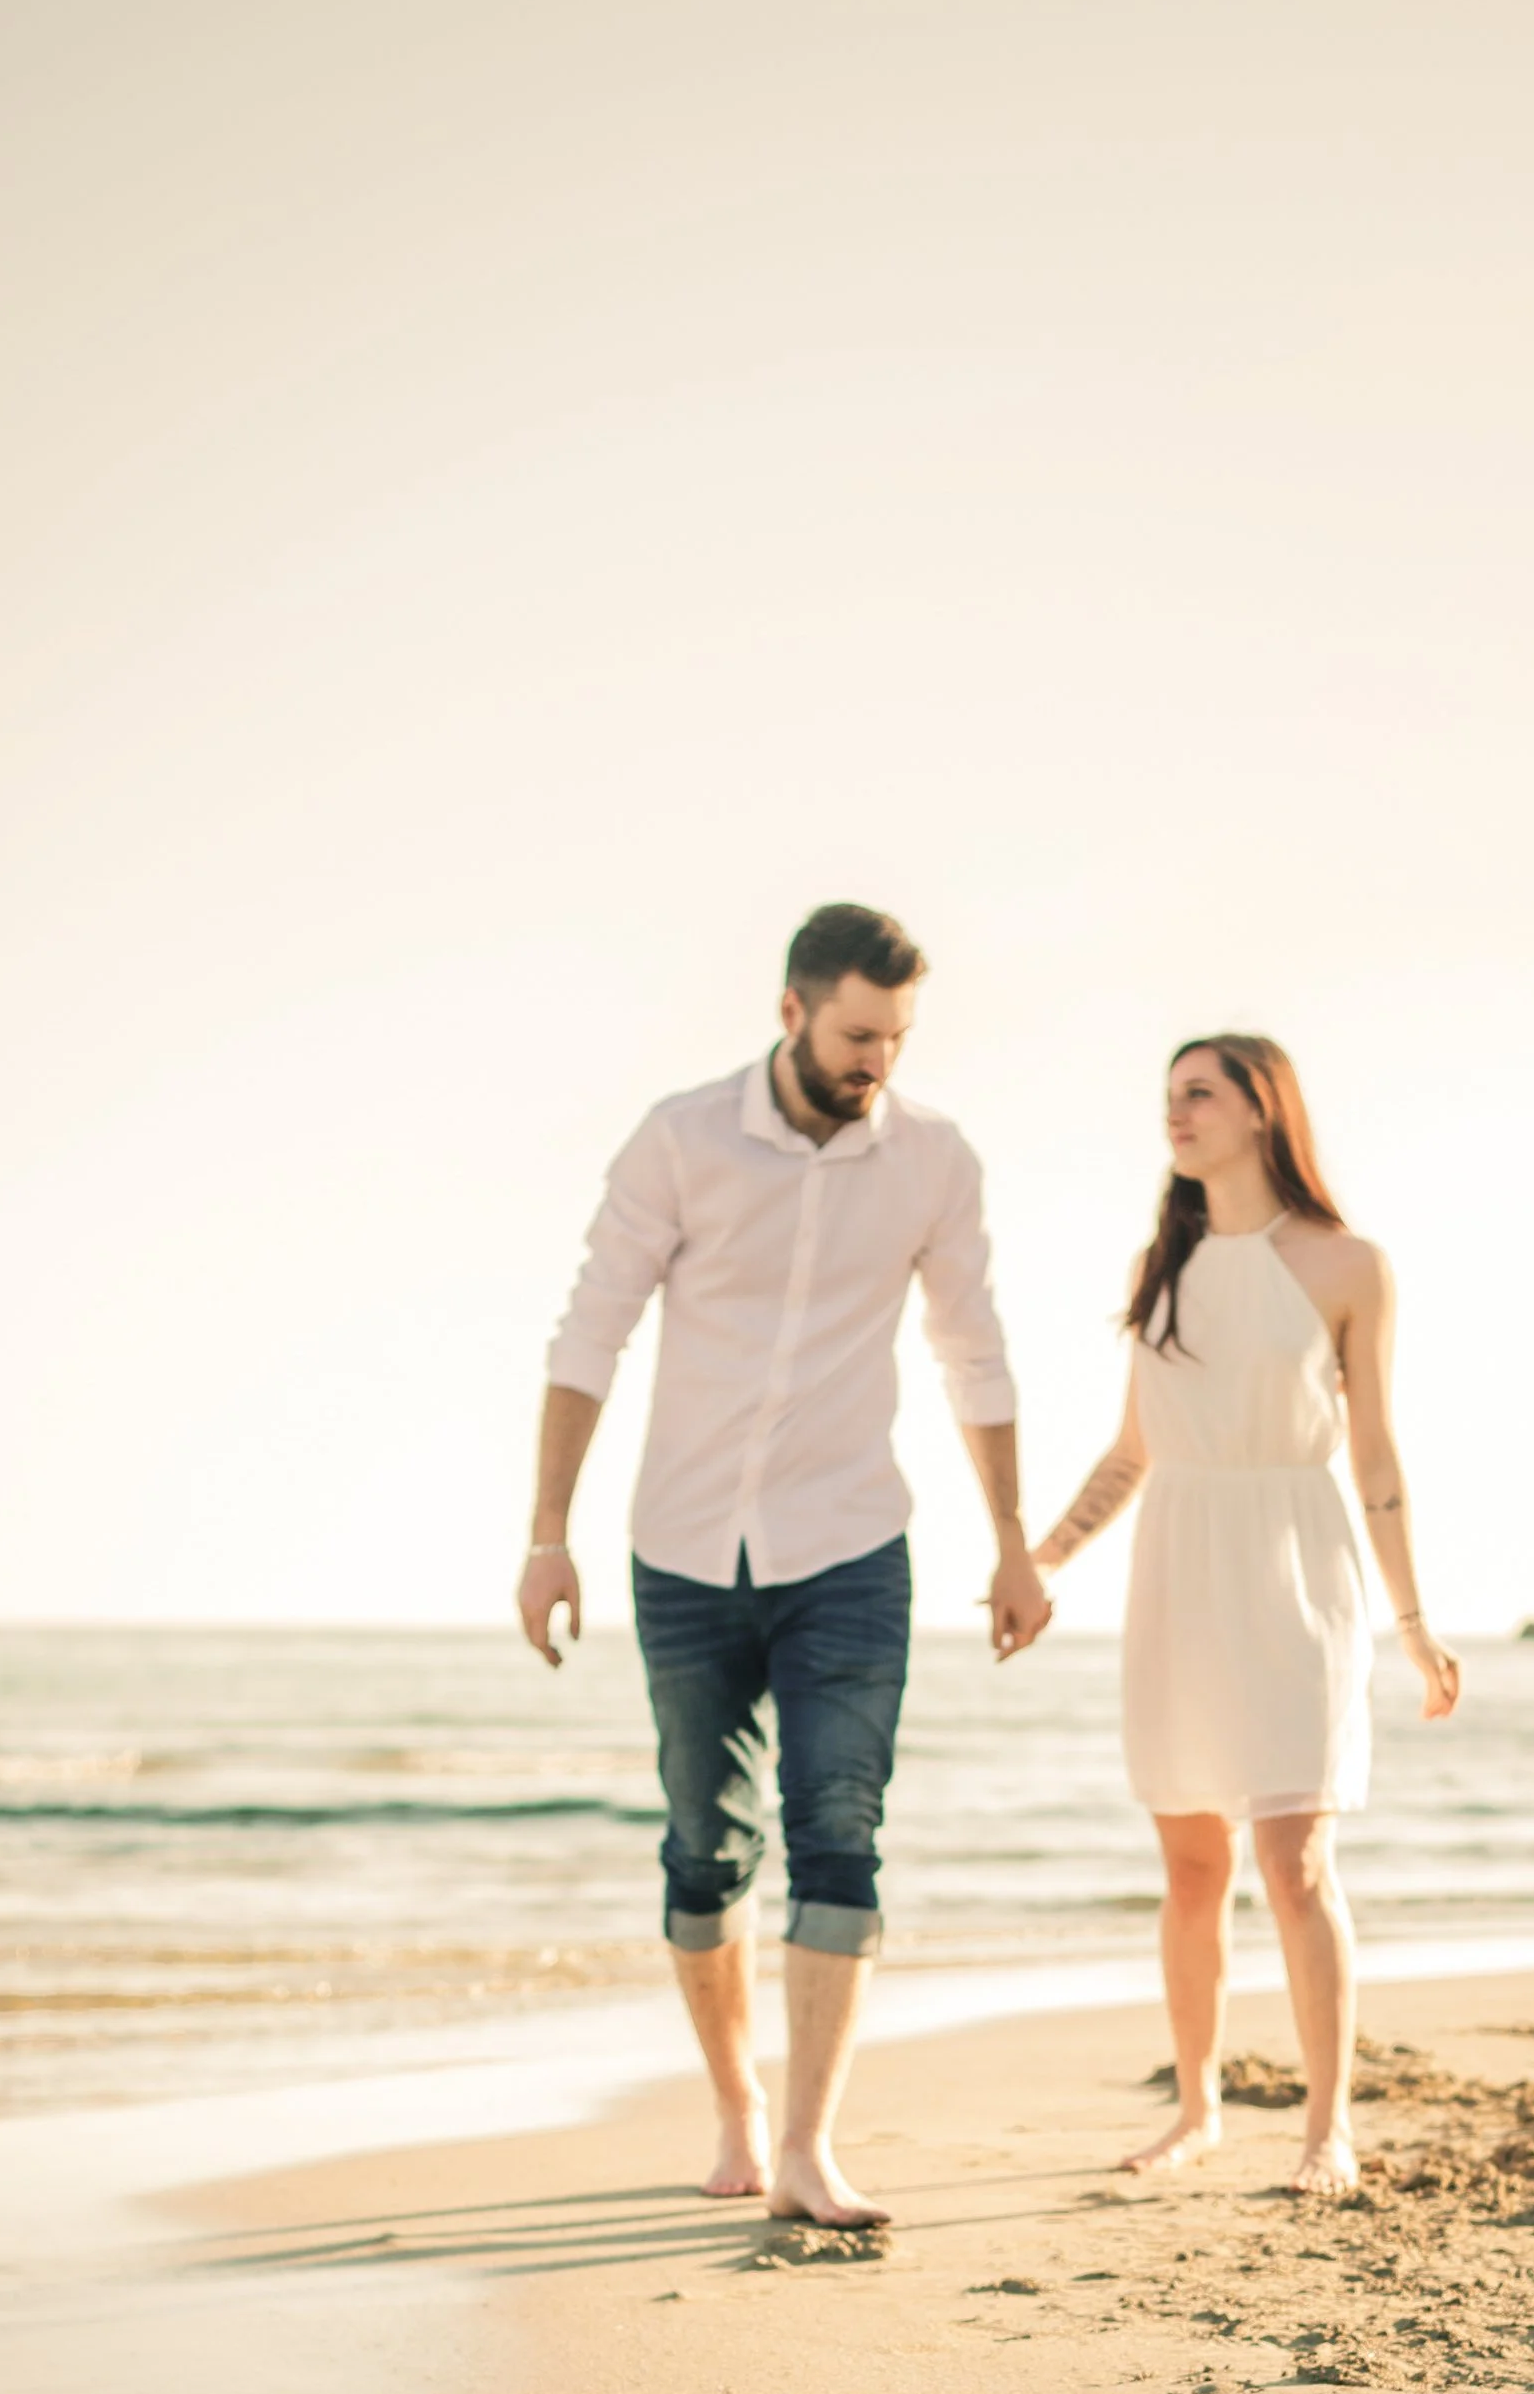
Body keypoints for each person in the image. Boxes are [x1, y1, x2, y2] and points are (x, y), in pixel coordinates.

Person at [519, 903, 1049, 2226]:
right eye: (860, 1031)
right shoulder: (682, 1140)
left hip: (852, 1546)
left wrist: (1011, 1544)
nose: (880, 1058)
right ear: (792, 1011)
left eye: (899, 1036)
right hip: (685, 1552)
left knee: (839, 1835)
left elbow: (973, 1354)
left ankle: (809, 2143)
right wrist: (546, 1535)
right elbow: (591, 1335)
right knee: (704, 1851)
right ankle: (736, 2103)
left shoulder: (933, 1160)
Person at [1030, 1034, 1459, 2197]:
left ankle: (1327, 2130)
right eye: (1167, 1096)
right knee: (1188, 1864)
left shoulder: (1346, 1265)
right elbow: (1133, 1452)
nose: (1175, 1113)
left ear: (1261, 1109)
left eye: (1198, 1093)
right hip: (1179, 1567)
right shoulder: (1158, 1263)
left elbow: (1373, 1452)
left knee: (1297, 1858)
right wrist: (1045, 1558)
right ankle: (1198, 2109)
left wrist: (1411, 1622)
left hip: (1294, 1567)